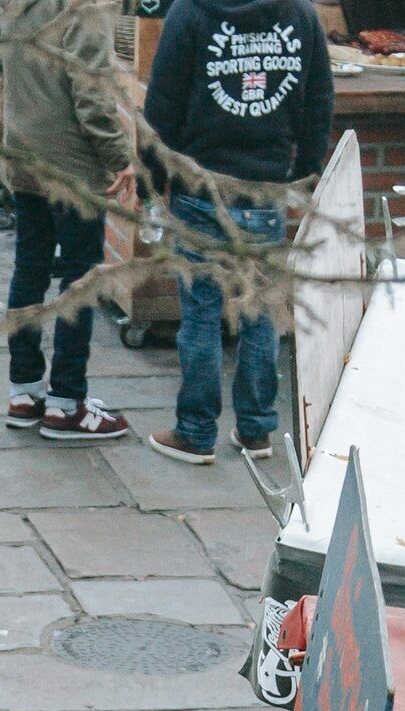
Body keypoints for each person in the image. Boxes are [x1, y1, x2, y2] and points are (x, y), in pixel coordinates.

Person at [140, 0, 336, 466]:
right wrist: (306, 169)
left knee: (201, 315)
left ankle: (195, 433)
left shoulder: (189, 12)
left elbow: (161, 107)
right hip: (265, 187)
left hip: (200, 189)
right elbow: (318, 101)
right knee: (261, 314)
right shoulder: (302, 15)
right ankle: (255, 430)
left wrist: (152, 180)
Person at [0, 0, 140, 442]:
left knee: (30, 267)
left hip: (22, 150)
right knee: (80, 278)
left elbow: (5, 67)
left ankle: (24, 393)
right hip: (71, 164)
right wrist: (119, 158)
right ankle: (67, 404)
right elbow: (91, 97)